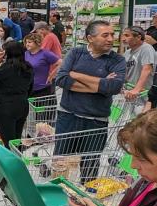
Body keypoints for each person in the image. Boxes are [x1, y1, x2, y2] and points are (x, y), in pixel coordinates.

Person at [54, 20, 126, 182]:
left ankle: (87, 197)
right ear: (90, 38)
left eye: (112, 35)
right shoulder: (76, 53)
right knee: (60, 161)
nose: (111, 39)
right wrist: (99, 85)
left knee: (90, 164)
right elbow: (62, 80)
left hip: (96, 121)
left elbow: (113, 87)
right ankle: (57, 193)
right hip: (68, 116)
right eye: (105, 35)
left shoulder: (117, 60)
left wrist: (76, 75)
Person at [0, 40, 34, 147]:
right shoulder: (28, 68)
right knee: (16, 140)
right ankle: (18, 160)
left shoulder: (6, 68)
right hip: (22, 104)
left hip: (5, 106)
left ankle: (10, 162)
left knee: (8, 142)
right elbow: (31, 88)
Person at [120, 26, 156, 103]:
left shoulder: (146, 48)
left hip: (143, 94)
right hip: (130, 94)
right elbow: (125, 73)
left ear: (138, 37)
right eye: (122, 35)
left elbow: (147, 69)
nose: (123, 39)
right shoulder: (127, 53)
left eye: (127, 35)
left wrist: (136, 89)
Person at [24, 32, 61, 101]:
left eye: (29, 42)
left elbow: (61, 63)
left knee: (42, 111)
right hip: (29, 88)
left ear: (37, 43)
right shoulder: (26, 54)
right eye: (26, 42)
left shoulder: (45, 53)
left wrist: (52, 75)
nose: (27, 44)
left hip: (42, 89)